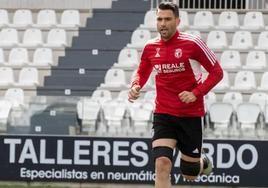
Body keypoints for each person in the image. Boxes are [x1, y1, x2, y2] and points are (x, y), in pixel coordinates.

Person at [128, 2, 223, 188]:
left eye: (167, 19)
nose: (163, 23)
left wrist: (196, 93)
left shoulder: (193, 44)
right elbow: (142, 71)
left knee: (190, 175)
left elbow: (217, 72)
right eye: (159, 19)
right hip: (164, 114)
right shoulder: (150, 47)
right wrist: (135, 85)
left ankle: (201, 162)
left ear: (177, 21)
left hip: (190, 115)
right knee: (161, 164)